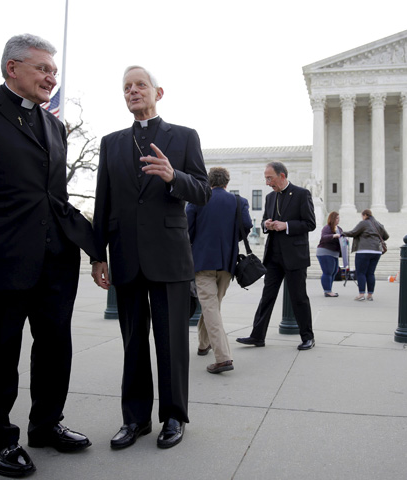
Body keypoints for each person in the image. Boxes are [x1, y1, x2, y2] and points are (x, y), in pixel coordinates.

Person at [0, 34, 100, 477]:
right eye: (44, 69)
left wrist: (95, 247)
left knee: (54, 350)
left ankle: (46, 425)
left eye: (54, 71)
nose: (52, 77)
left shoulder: (55, 125)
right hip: (0, 258)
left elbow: (56, 198)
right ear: (13, 68)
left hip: (55, 262)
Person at [92, 65, 211, 450]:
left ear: (159, 93)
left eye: (140, 85)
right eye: (126, 87)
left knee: (172, 341)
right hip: (125, 255)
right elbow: (103, 201)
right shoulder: (110, 143)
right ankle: (135, 419)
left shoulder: (185, 137)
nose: (132, 91)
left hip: (169, 256)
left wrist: (173, 176)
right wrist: (98, 255)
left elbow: (203, 192)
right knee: (133, 342)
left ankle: (174, 416)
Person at [236, 162, 316, 350]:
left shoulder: (302, 194)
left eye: (269, 178)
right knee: (267, 297)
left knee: (299, 297)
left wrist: (286, 225)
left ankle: (308, 337)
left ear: (282, 176)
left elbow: (310, 223)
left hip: (295, 256)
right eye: (266, 178)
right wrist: (267, 224)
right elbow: (264, 219)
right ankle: (257, 336)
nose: (267, 182)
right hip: (273, 256)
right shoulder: (270, 197)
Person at [186, 167, 251, 374]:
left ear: (208, 181)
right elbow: (246, 226)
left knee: (210, 307)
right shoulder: (239, 202)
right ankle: (204, 344)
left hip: (203, 262)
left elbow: (186, 230)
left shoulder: (197, 200)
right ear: (227, 182)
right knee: (212, 306)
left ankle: (223, 358)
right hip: (227, 264)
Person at [343, 209, 389, 301]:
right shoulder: (379, 224)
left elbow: (353, 233)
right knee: (371, 273)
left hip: (364, 250)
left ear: (364, 215)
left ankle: (361, 294)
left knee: (361, 272)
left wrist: (342, 233)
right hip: (376, 251)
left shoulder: (364, 223)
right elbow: (386, 236)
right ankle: (370, 295)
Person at [316, 211, 343, 297]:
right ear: (332, 219)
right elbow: (324, 237)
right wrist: (333, 236)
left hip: (334, 253)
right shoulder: (327, 228)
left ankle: (329, 289)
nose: (338, 220)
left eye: (339, 218)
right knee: (327, 272)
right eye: (337, 218)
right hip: (325, 252)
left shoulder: (339, 229)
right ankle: (327, 291)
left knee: (334, 272)